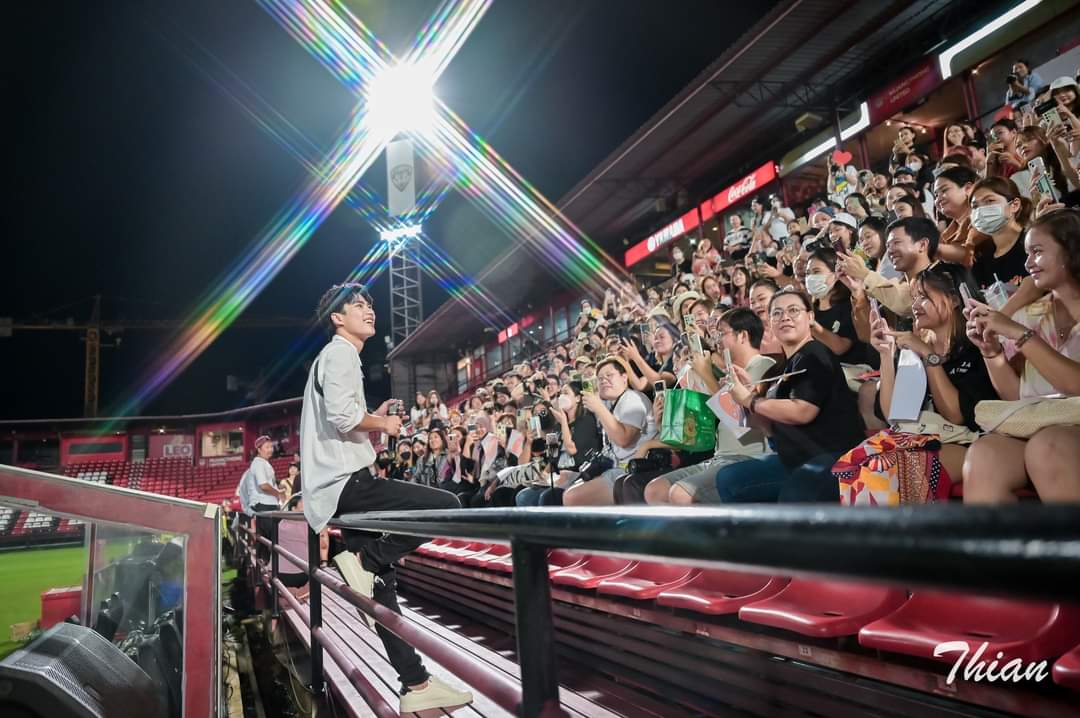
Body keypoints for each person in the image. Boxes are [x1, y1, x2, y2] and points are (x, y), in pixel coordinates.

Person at [299, 282, 470, 712]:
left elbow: (345, 417)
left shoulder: (336, 358)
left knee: (381, 592)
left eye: (370, 304)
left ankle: (416, 683)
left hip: (338, 484)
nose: (368, 310)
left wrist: (373, 416)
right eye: (358, 305)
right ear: (338, 318)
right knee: (447, 507)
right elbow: (342, 418)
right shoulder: (340, 354)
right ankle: (366, 560)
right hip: (346, 482)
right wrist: (384, 424)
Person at [963, 209, 1080, 503]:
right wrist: (991, 353)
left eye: (1037, 252)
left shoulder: (1020, 325)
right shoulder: (1032, 315)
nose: (1028, 264)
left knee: (1047, 445)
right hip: (1044, 427)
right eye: (1027, 254)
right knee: (984, 454)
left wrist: (1020, 335)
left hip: (1057, 437)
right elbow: (1018, 397)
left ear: (1071, 251)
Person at [714, 289, 866, 502]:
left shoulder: (815, 353)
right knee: (729, 480)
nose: (785, 317)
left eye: (793, 310)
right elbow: (764, 427)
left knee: (795, 493)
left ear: (810, 317)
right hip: (793, 457)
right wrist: (746, 395)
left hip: (833, 456)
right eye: (776, 313)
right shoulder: (782, 368)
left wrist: (751, 400)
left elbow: (803, 411)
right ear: (770, 323)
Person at [867, 263, 998, 481]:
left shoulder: (978, 347)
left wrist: (929, 356)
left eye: (924, 297)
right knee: (865, 468)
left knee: (895, 475)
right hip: (920, 439)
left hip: (966, 443)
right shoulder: (914, 349)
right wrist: (886, 354)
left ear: (955, 300)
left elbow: (956, 415)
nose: (916, 305)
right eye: (914, 297)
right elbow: (895, 415)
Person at [643, 308, 778, 505]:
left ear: (743, 335)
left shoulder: (764, 366)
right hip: (719, 458)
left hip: (748, 457)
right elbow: (698, 432)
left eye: (721, 333)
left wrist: (707, 373)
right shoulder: (728, 373)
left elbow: (740, 421)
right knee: (655, 490)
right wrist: (664, 421)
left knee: (680, 493)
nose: (716, 340)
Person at [562, 356, 656, 506]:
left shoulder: (632, 398)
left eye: (609, 375)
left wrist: (598, 407)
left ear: (624, 377)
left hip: (634, 469)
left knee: (571, 497)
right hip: (616, 467)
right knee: (565, 488)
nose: (604, 380)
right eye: (599, 379)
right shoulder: (615, 403)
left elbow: (623, 439)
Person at [516, 382, 601, 506]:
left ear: (577, 398)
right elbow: (553, 456)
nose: (562, 397)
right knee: (523, 496)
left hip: (578, 475)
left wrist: (564, 423)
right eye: (561, 393)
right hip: (558, 477)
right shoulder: (557, 427)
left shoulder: (586, 419)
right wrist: (543, 475)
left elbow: (571, 449)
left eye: (566, 393)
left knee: (547, 498)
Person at [835, 217, 938, 318]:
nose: (890, 250)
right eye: (888, 245)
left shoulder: (940, 279)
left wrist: (864, 274)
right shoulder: (905, 285)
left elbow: (906, 302)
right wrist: (856, 289)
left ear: (922, 245)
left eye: (896, 242)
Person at [969, 176, 1032, 290]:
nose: (981, 210)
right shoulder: (979, 256)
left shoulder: (1031, 242)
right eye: (975, 206)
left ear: (1014, 205)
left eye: (989, 201)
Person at [245, 435, 285, 563]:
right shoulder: (258, 464)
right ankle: (272, 572)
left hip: (266, 505)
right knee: (273, 540)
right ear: (259, 449)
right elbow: (263, 485)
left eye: (271, 446)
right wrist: (278, 494)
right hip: (265, 505)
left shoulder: (263, 463)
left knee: (265, 543)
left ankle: (264, 572)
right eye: (267, 447)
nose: (271, 449)